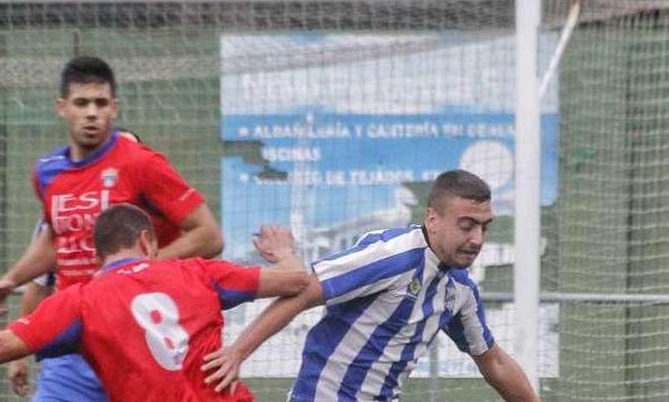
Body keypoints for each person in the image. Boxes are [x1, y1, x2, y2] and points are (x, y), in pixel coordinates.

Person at [0, 203, 308, 401]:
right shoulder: (198, 271)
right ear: (148, 241)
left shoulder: (82, 300)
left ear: (97, 254)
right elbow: (297, 282)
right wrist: (283, 252)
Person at [0, 56, 223, 400]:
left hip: (134, 334)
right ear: (62, 107)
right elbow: (56, 237)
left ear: (114, 108)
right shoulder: (46, 172)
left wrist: (138, 271)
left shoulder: (141, 163)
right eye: (81, 103)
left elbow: (208, 235)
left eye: (100, 103)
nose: (91, 112)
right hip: (74, 334)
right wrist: (11, 278)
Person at [203, 169, 540, 402]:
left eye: (484, 227)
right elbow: (302, 292)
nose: (477, 239)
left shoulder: (460, 290)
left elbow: (493, 361)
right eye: (467, 226)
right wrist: (237, 352)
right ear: (433, 219)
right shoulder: (390, 256)